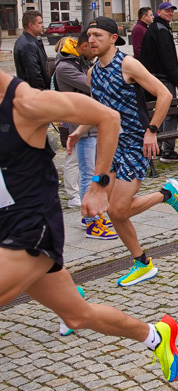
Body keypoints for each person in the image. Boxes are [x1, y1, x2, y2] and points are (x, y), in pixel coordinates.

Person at [0, 68, 178, 391]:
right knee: (78, 315)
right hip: (4, 232)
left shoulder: (27, 102)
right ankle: (156, 335)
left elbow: (108, 116)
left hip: (30, 233)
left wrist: (99, 185)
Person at [68, 17, 178, 287]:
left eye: (98, 35)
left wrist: (152, 130)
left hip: (136, 143)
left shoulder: (127, 64)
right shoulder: (93, 72)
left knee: (118, 209)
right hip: (110, 146)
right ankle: (142, 263)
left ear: (113, 38)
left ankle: (166, 194)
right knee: (113, 212)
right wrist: (78, 131)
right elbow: (97, 111)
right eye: (89, 35)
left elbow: (164, 95)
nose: (91, 40)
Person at [53, 32, 117, 240]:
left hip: (90, 125)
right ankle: (91, 221)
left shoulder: (77, 62)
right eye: (91, 45)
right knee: (88, 175)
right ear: (83, 47)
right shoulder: (65, 68)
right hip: (81, 127)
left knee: (94, 172)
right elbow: (92, 85)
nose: (94, 48)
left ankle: (91, 214)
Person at [138, 1, 178, 162]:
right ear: (159, 12)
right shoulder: (161, 30)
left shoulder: (154, 28)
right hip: (163, 78)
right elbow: (168, 59)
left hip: (150, 78)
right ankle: (167, 150)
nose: (170, 13)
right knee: (169, 112)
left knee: (157, 112)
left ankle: (157, 147)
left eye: (172, 11)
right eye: (167, 11)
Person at [13, 10, 50, 90]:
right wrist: (44, 92)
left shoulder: (29, 41)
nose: (43, 25)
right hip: (35, 93)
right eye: (39, 23)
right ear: (31, 25)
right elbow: (33, 74)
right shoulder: (28, 45)